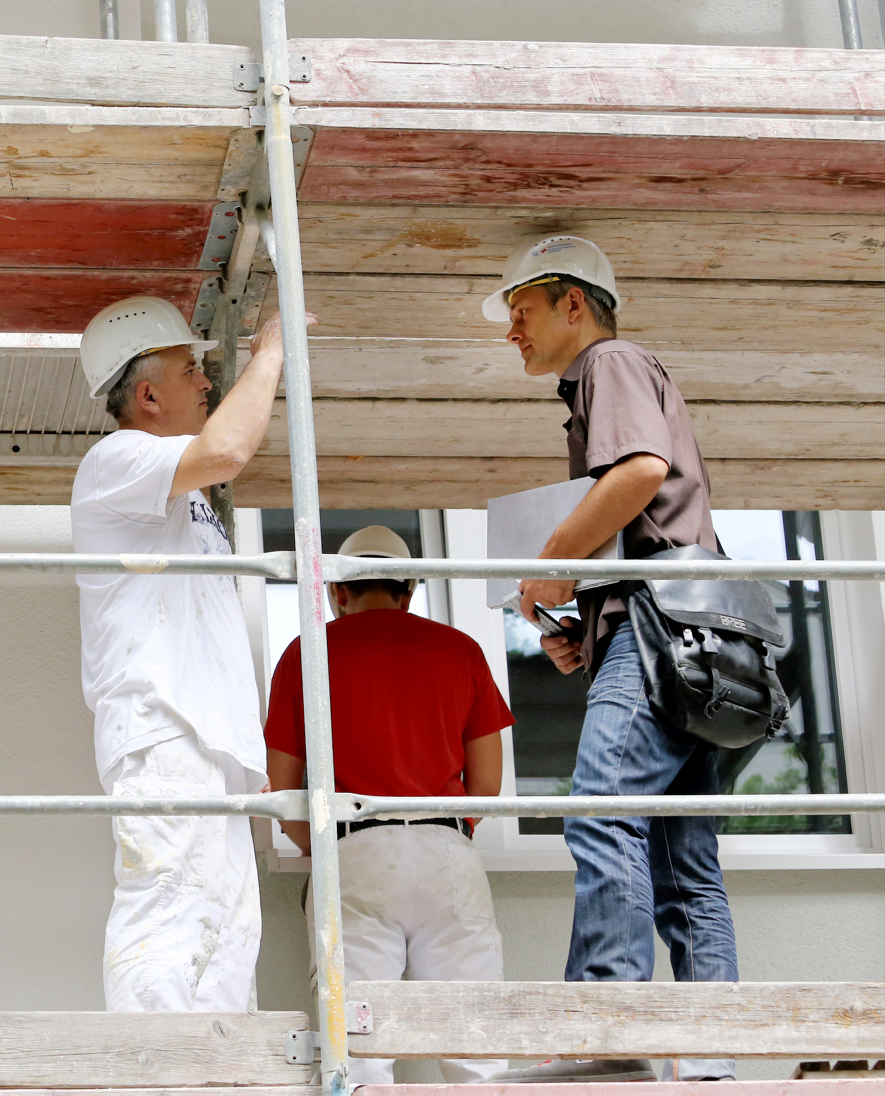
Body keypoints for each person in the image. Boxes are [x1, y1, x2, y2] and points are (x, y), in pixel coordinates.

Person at [491, 235, 736, 1083]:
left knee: (599, 812)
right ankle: (712, 1060)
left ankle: (609, 1024)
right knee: (683, 861)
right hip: (687, 639)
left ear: (572, 303)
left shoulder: (612, 360)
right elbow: (645, 512)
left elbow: (638, 472)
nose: (510, 333)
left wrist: (554, 560)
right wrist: (582, 622)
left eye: (520, 312)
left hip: (655, 627)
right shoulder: (618, 373)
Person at [70, 293, 300, 1012]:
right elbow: (228, 448)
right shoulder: (118, 458)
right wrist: (271, 352)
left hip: (207, 746)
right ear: (146, 394)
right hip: (166, 732)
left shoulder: (182, 494)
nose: (206, 382)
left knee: (224, 941)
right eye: (190, 369)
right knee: (168, 924)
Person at [263, 524, 514, 1087]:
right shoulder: (461, 650)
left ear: (337, 592)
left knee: (358, 1055)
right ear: (410, 591)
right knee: (476, 1047)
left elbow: (283, 793)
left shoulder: (306, 654)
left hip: (354, 850)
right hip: (447, 848)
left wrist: (322, 849)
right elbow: (486, 787)